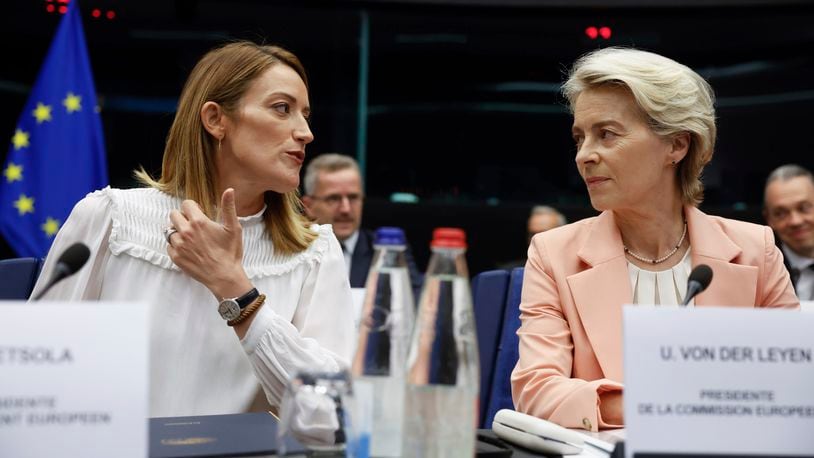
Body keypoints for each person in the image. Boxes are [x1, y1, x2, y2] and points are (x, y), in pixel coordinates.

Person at [30, 41, 355, 417]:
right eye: (282, 109)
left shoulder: (314, 251)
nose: (305, 132)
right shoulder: (110, 218)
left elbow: (328, 413)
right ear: (216, 119)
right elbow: (41, 380)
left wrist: (235, 290)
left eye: (305, 114)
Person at [511, 47, 799, 432]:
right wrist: (668, 405)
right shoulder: (552, 254)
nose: (584, 155)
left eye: (606, 134)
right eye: (580, 137)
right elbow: (536, 389)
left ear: (677, 145)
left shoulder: (755, 250)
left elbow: (795, 385)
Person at [301, 153, 423, 294]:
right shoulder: (293, 252)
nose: (345, 209)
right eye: (333, 199)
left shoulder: (386, 251)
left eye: (353, 198)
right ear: (308, 206)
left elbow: (414, 300)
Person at [763, 164, 814, 301]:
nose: (795, 221)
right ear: (769, 219)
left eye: (804, 208)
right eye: (781, 213)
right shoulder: (762, 274)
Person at [498, 205, 567, 270]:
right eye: (532, 234)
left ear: (562, 236)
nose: (535, 240)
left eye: (543, 234)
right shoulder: (510, 273)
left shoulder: (574, 271)